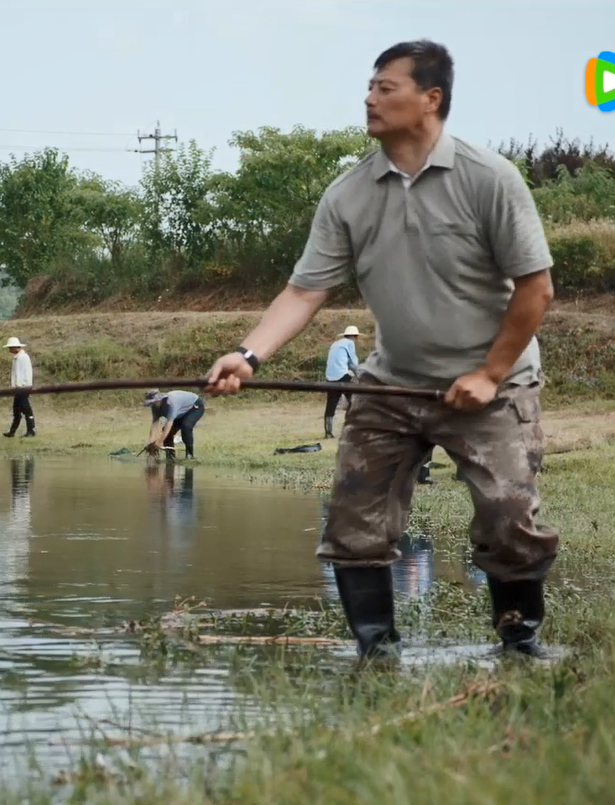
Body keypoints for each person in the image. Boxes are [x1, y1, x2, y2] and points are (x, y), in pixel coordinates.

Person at [201, 40, 558, 662]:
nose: (369, 98)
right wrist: (247, 355)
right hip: (390, 385)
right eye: (369, 87)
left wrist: (489, 372)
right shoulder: (348, 195)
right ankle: (376, 650)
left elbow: (536, 288)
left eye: (385, 88)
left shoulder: (489, 179)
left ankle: (519, 643)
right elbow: (304, 290)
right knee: (353, 524)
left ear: (431, 98)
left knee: (508, 519)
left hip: (491, 386)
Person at [141, 389, 204, 461]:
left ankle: (190, 455)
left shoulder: (170, 403)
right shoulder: (155, 407)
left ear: (159, 400)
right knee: (167, 433)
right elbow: (155, 423)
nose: (153, 405)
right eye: (151, 403)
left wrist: (160, 441)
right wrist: (151, 443)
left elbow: (169, 423)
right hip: (180, 412)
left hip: (194, 407)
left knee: (186, 426)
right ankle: (170, 458)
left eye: (154, 402)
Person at [323, 325, 362, 438]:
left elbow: (344, 361)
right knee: (354, 401)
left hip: (330, 377)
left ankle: (328, 432)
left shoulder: (335, 344)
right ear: (354, 337)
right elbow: (353, 363)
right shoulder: (350, 343)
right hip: (342, 375)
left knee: (331, 403)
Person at [3, 337, 36, 438]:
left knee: (26, 409)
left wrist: (18, 387)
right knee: (16, 410)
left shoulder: (22, 357)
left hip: (22, 387)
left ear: (15, 347)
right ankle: (12, 432)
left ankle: (31, 431)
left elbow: (21, 375)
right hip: (19, 388)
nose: (9, 350)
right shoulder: (18, 357)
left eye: (10, 348)